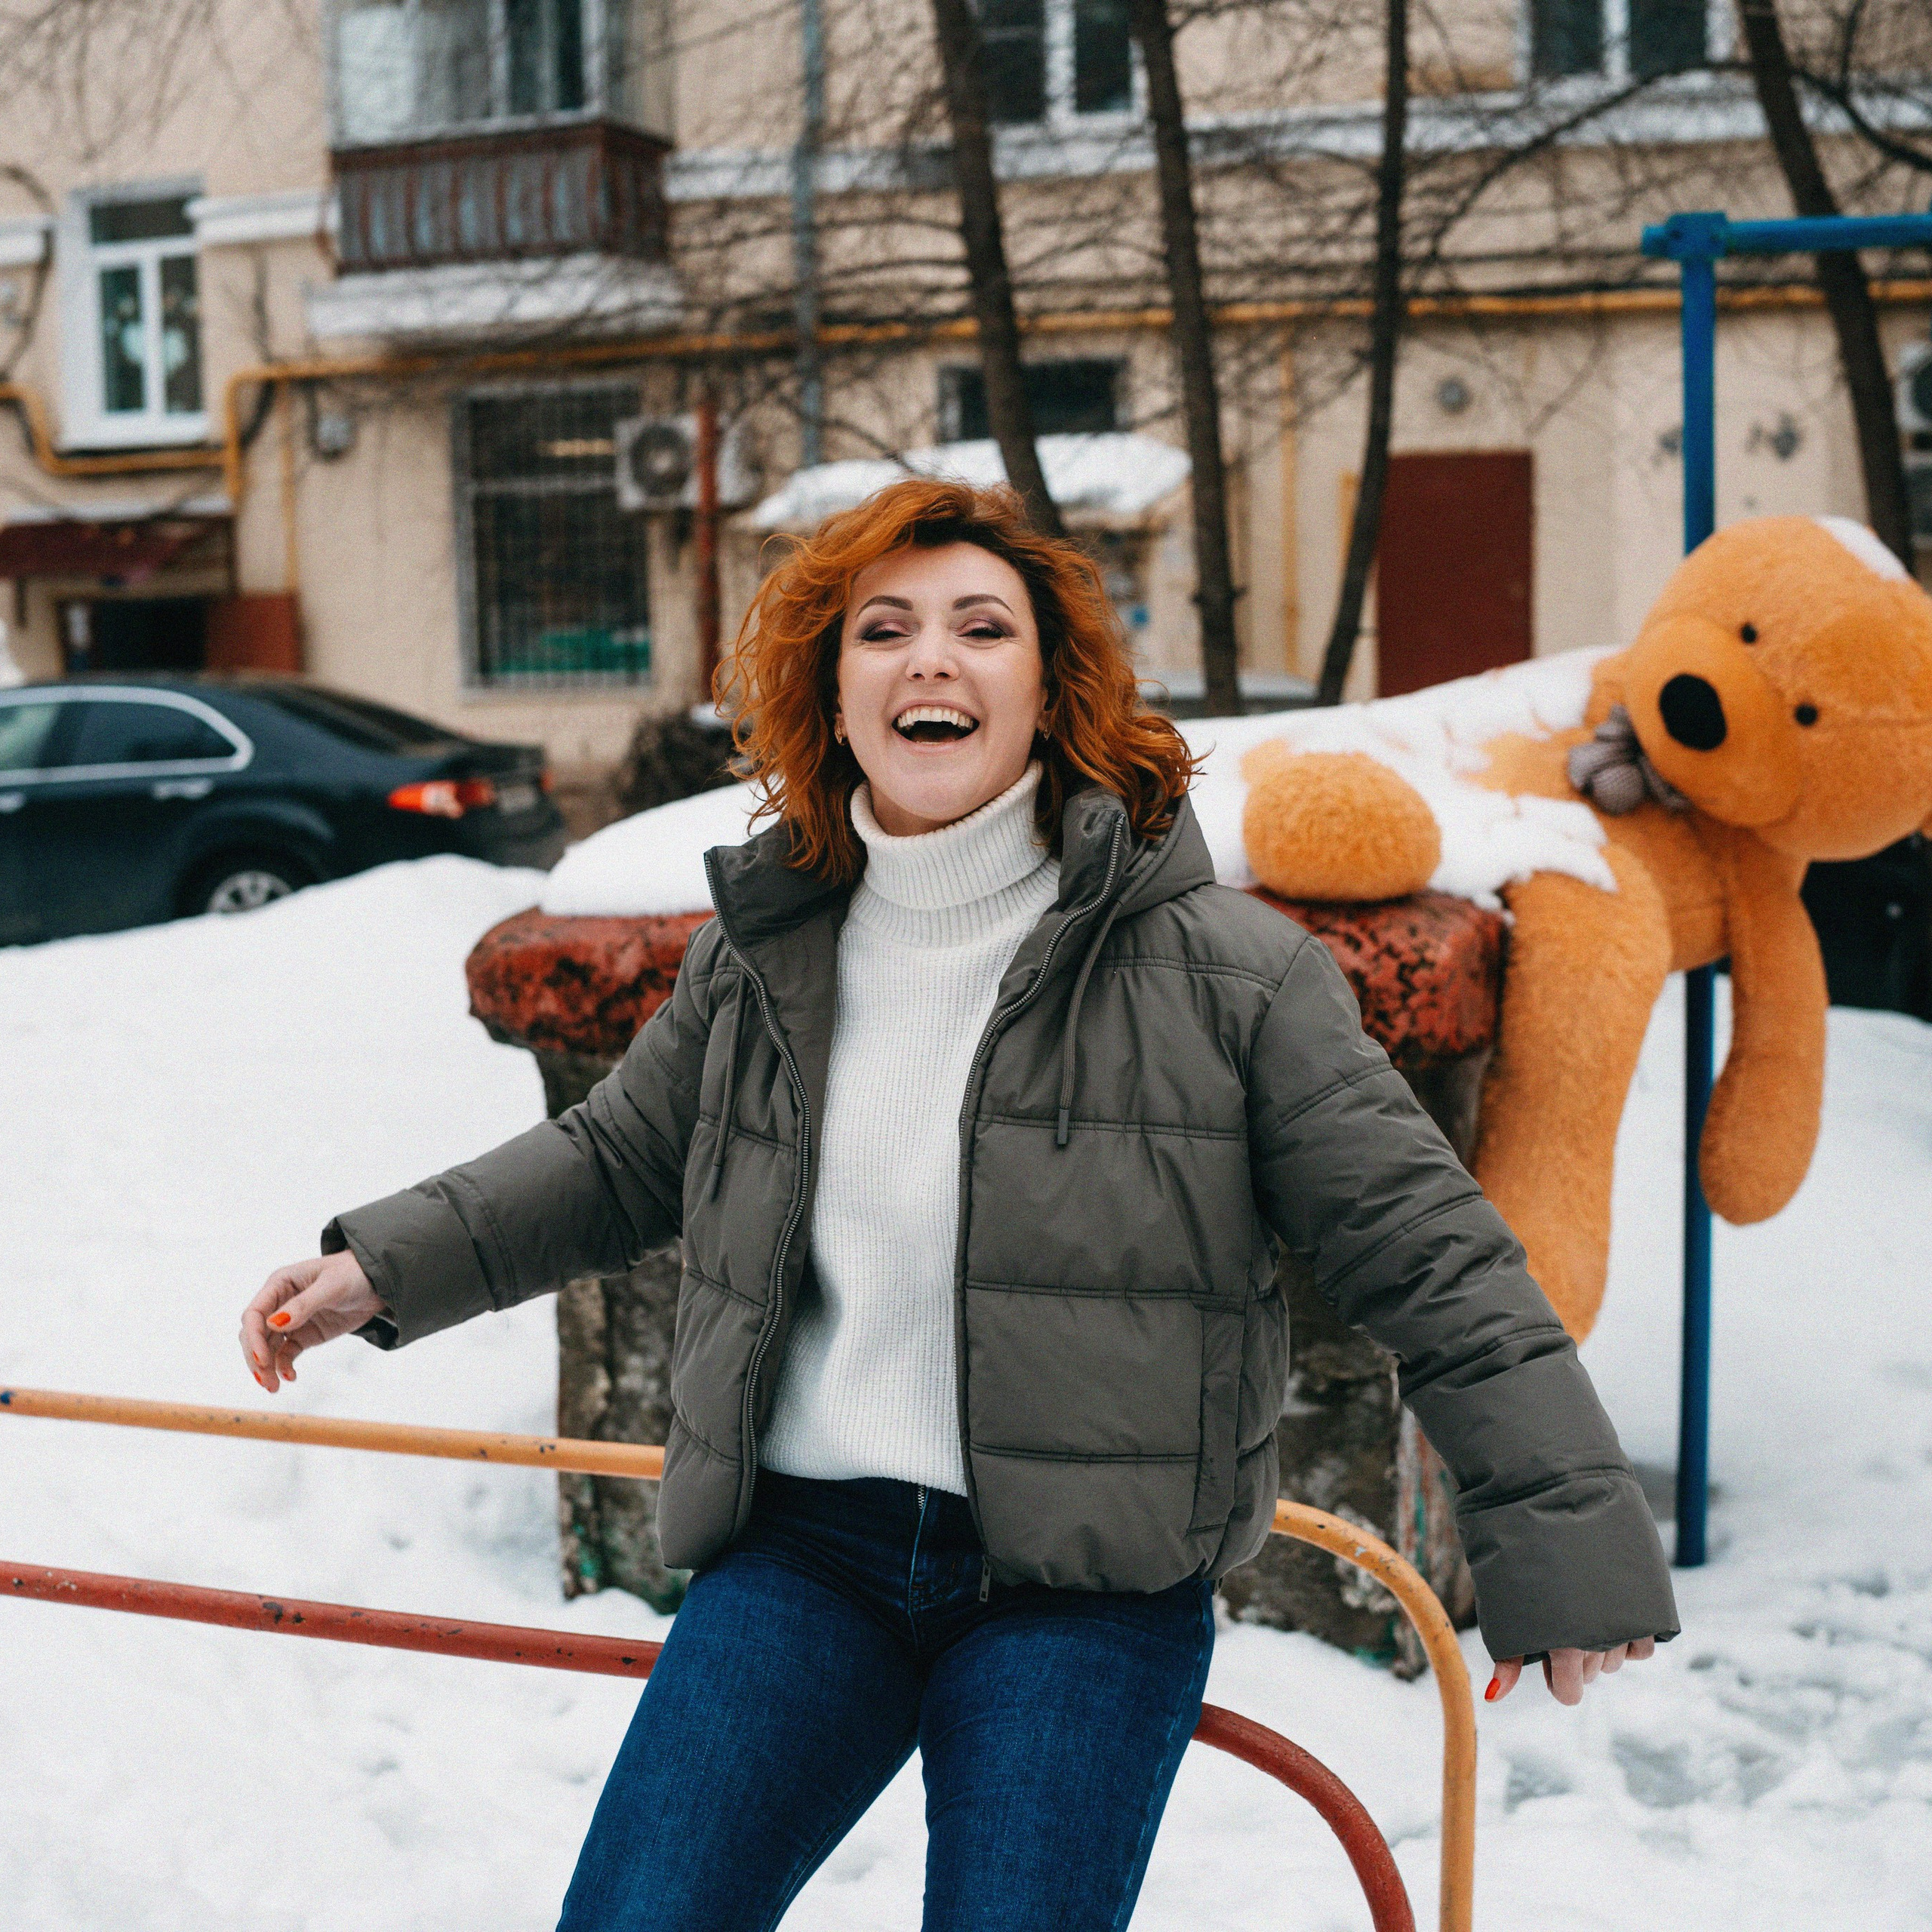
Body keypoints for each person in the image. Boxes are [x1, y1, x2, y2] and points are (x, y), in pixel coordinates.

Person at [241, 479, 1676, 1932]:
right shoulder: (761, 955)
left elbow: (1429, 1255)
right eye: (886, 630)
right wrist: (384, 1267)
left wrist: (1563, 1534)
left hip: (1084, 1589)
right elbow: (617, 1160)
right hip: (807, 1557)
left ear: (1052, 693)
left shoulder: (1230, 977)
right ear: (835, 693)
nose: (932, 658)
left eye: (982, 628)